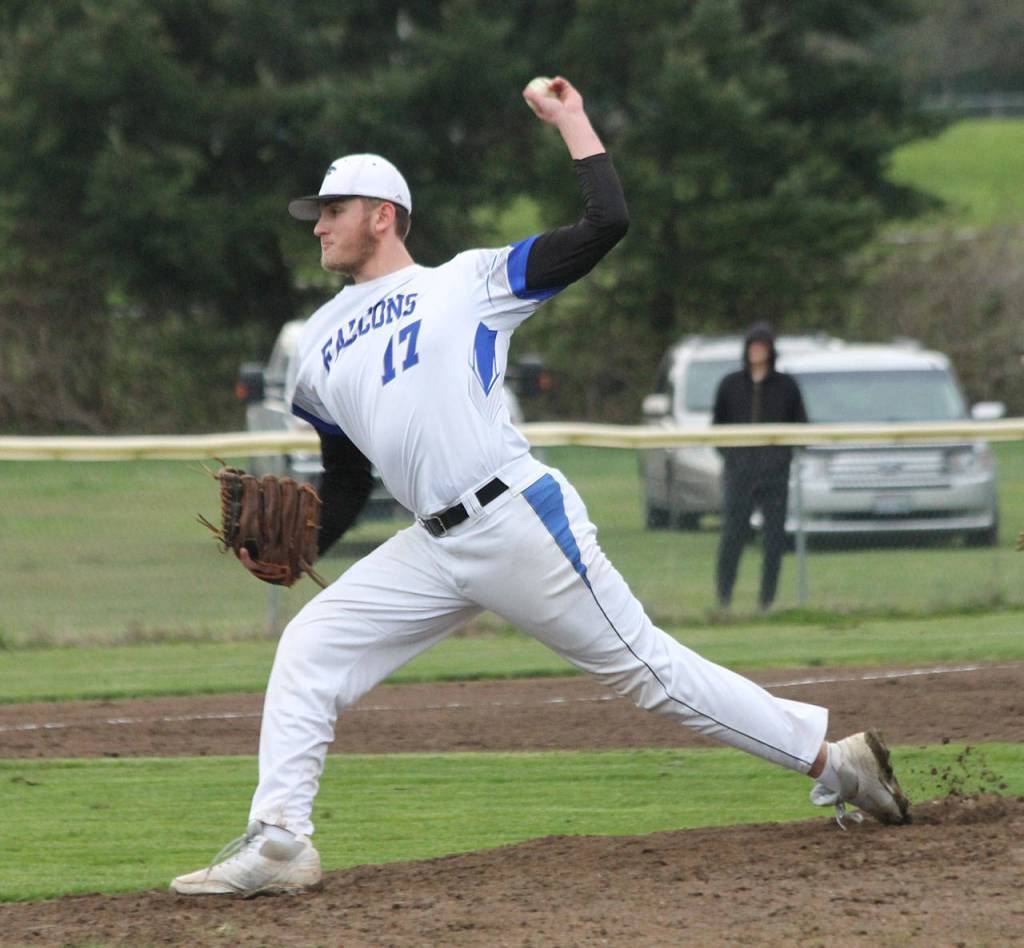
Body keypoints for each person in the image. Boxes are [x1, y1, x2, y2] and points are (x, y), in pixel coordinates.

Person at [171, 78, 908, 898]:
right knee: (310, 646)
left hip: (515, 517)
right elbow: (345, 477)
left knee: (649, 674)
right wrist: (302, 543)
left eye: (334, 207)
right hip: (432, 544)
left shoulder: (469, 281)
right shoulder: (316, 348)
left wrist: (573, 120)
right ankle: (279, 842)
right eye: (317, 211)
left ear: (384, 214)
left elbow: (606, 225)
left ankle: (836, 761)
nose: (318, 224)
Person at [712, 325, 808, 612]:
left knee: (774, 540)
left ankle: (766, 602)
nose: (757, 351)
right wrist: (733, 458)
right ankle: (724, 600)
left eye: (762, 346)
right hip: (739, 473)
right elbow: (717, 428)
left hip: (774, 475)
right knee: (733, 535)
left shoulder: (786, 386)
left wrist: (779, 458)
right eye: (752, 346)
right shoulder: (730, 384)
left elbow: (801, 427)